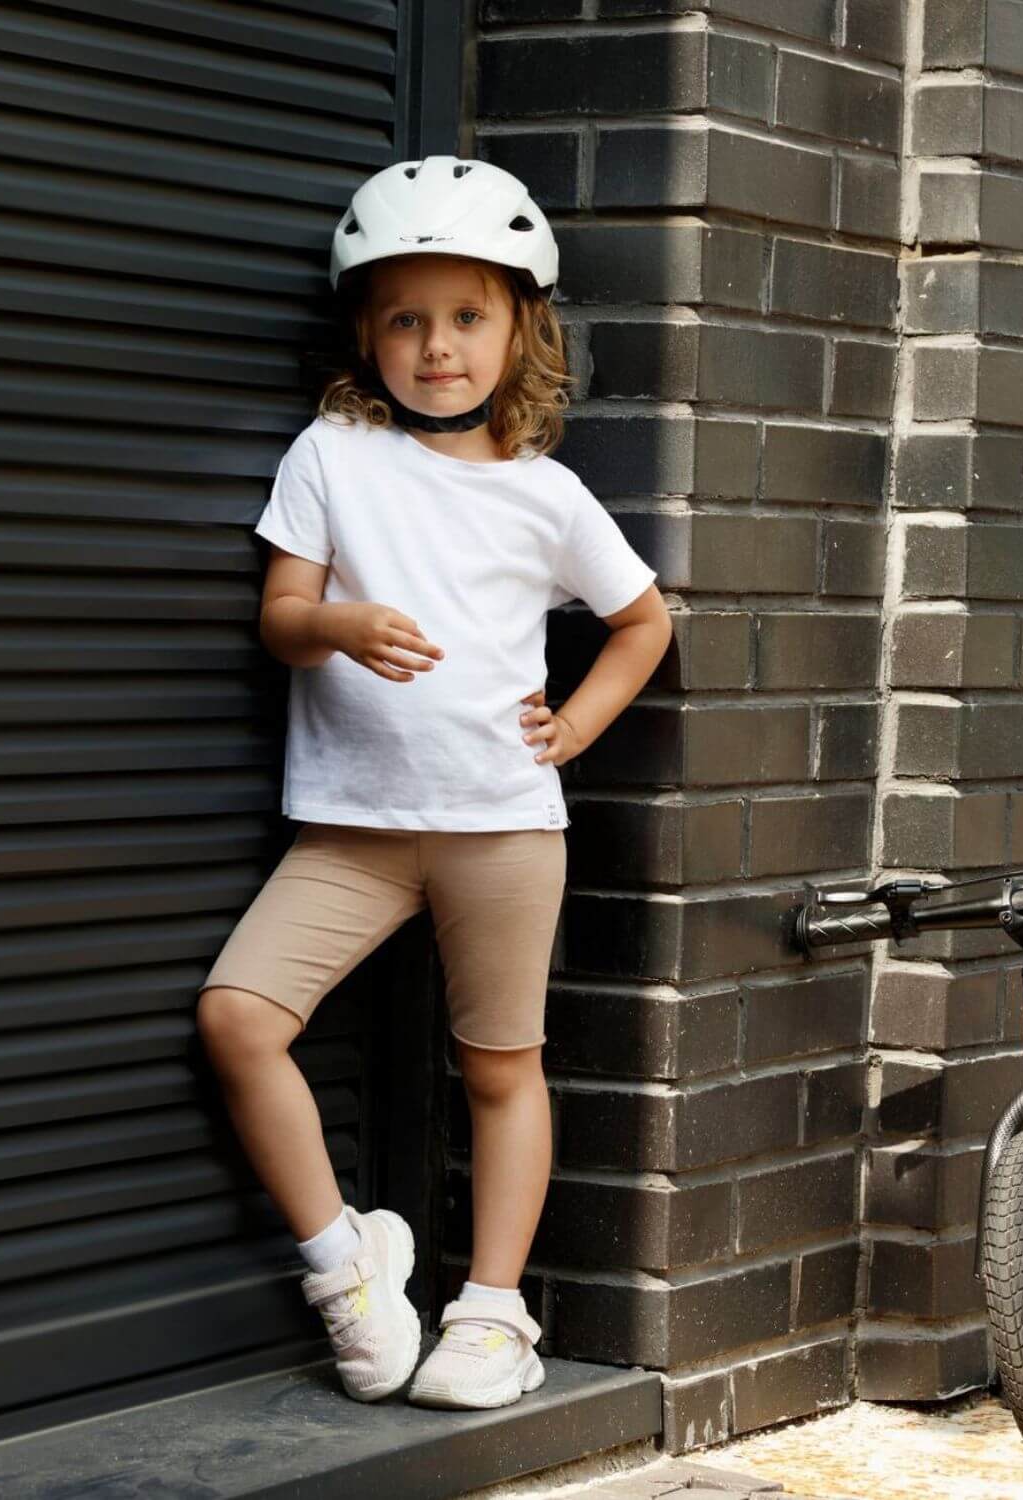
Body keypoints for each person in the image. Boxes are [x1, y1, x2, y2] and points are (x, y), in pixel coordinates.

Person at [194, 155, 672, 1411]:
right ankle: (346, 1264)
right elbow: (281, 618)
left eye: (467, 316)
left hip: (500, 826)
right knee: (239, 1019)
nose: (438, 346)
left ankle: (494, 1314)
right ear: (369, 333)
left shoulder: (547, 496)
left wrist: (576, 725)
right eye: (406, 319)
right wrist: (339, 626)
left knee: (500, 1068)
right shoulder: (331, 456)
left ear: (521, 330)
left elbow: (643, 623)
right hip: (352, 831)